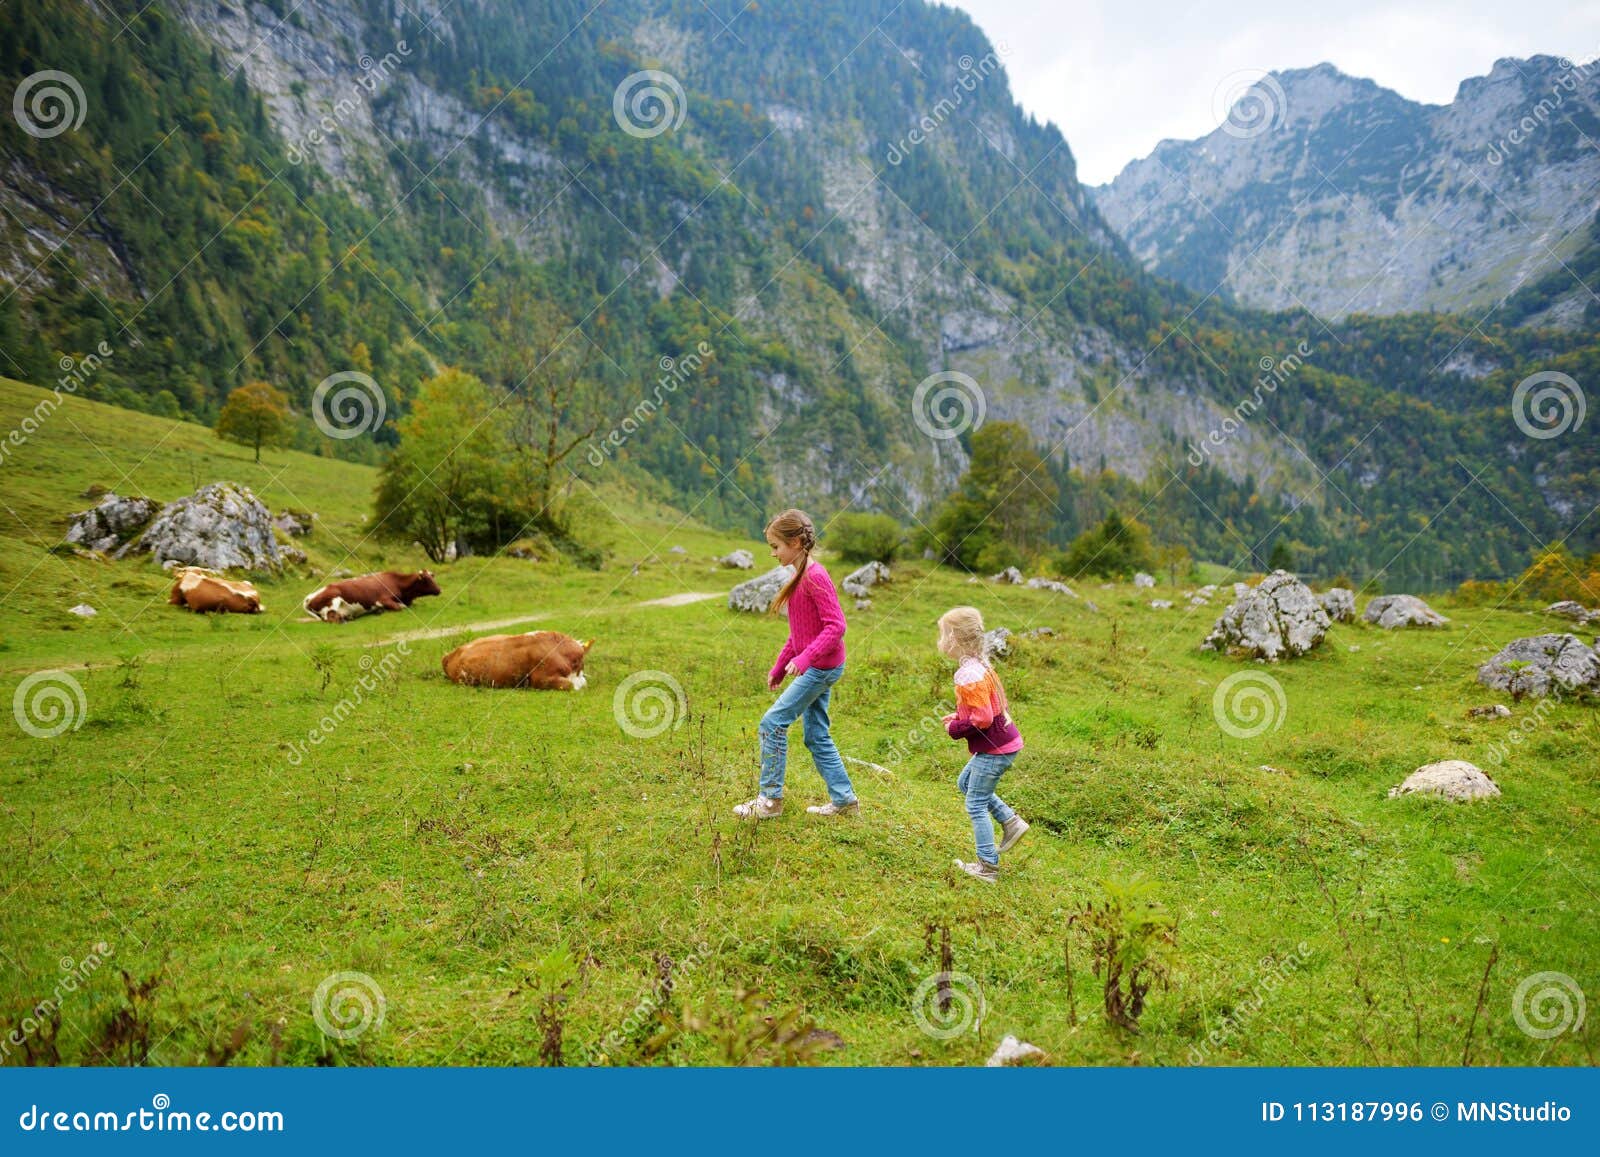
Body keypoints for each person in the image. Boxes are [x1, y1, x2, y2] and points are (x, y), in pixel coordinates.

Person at [733, 509, 859, 819]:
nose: (773, 553)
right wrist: (780, 665)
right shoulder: (798, 576)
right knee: (816, 735)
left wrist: (804, 659)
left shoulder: (815, 577)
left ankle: (770, 801)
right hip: (821, 665)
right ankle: (845, 801)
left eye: (776, 546)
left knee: (772, 723)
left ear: (797, 542)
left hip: (822, 668)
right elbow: (800, 633)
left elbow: (837, 626)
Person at [938, 606, 1028, 882]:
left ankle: (988, 866)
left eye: (941, 634)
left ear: (953, 638)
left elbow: (984, 717)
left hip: (994, 749)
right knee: (965, 784)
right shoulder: (981, 666)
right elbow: (986, 708)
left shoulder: (967, 674)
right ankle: (1011, 822)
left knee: (975, 804)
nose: (939, 640)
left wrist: (956, 727)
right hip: (1005, 743)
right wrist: (962, 714)